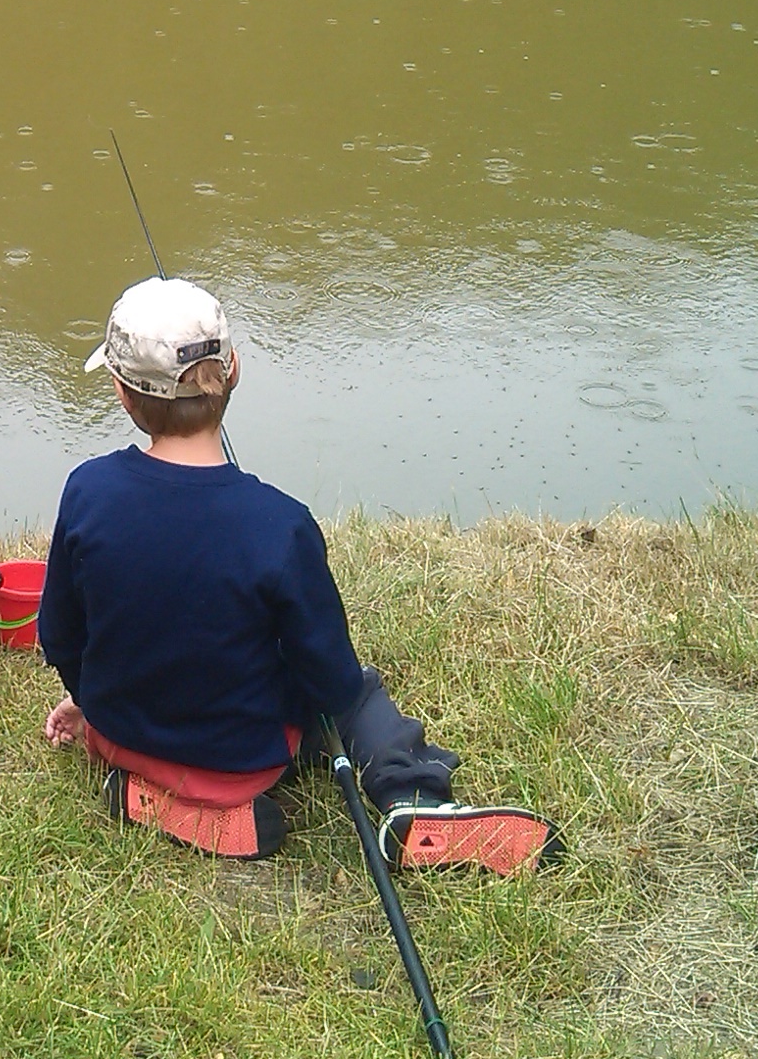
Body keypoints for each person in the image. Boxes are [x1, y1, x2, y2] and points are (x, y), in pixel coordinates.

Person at [37, 277, 558, 872]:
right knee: (358, 693)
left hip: (120, 740)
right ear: (233, 370)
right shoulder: (282, 525)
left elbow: (60, 635)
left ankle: (144, 795)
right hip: (246, 762)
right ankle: (413, 799)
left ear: (123, 393)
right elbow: (330, 679)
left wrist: (91, 701)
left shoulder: (86, 490)